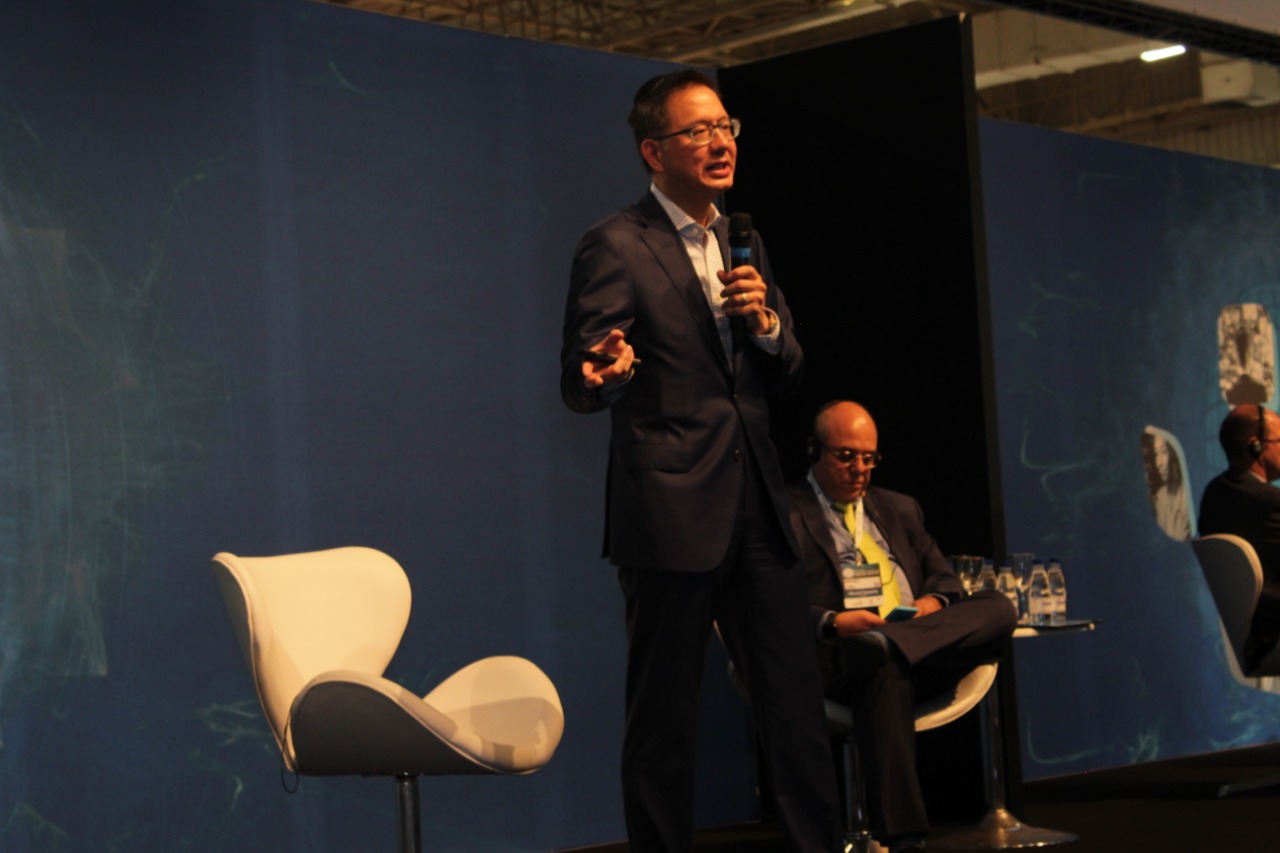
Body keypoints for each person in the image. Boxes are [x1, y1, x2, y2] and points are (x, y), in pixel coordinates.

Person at [560, 70, 838, 852]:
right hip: (670, 507)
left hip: (758, 506)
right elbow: (580, 375)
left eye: (725, 127)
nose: (720, 143)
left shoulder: (744, 241)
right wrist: (604, 372)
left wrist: (767, 323)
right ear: (655, 151)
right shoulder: (617, 243)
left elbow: (787, 369)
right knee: (665, 719)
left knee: (795, 705)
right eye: (698, 131)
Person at [787, 400, 1016, 853]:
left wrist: (932, 602)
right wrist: (833, 622)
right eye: (846, 456)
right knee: (883, 672)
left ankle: (888, 643)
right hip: (843, 657)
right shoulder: (784, 511)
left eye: (868, 458)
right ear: (814, 450)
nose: (859, 469)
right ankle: (907, 842)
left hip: (919, 646)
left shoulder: (899, 508)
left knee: (998, 606)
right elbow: (768, 600)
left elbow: (946, 580)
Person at [1197, 403, 1280, 671]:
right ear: (1255, 446)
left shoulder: (1214, 494)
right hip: (1272, 636)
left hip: (1255, 643)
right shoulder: (1270, 503)